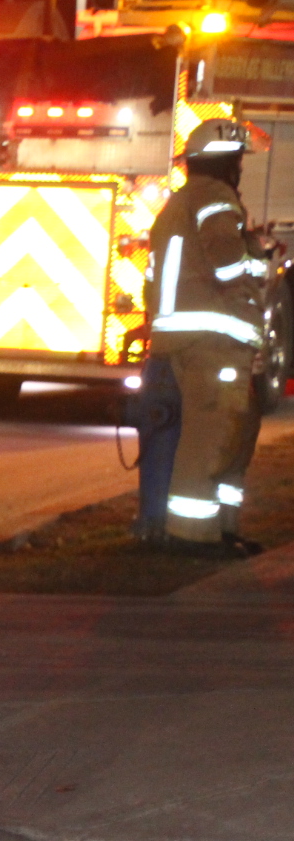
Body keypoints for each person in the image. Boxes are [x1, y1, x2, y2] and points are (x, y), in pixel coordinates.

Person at [141, 116, 271, 555]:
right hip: (213, 340)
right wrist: (259, 257)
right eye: (238, 162)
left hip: (194, 339)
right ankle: (193, 537)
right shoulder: (216, 198)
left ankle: (221, 530)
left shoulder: (181, 203)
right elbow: (228, 267)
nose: (240, 171)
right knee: (212, 436)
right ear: (226, 164)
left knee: (231, 433)